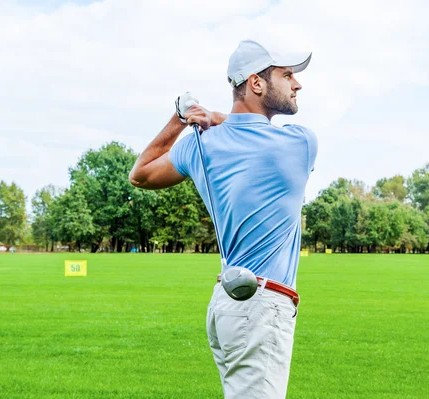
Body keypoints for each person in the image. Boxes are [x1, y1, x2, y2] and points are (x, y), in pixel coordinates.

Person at [129, 39, 317, 399]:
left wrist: (181, 119)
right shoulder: (301, 143)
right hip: (262, 307)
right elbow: (252, 131)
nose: (298, 84)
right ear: (257, 83)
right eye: (288, 75)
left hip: (227, 306)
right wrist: (217, 117)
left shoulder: (196, 144)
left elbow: (140, 175)